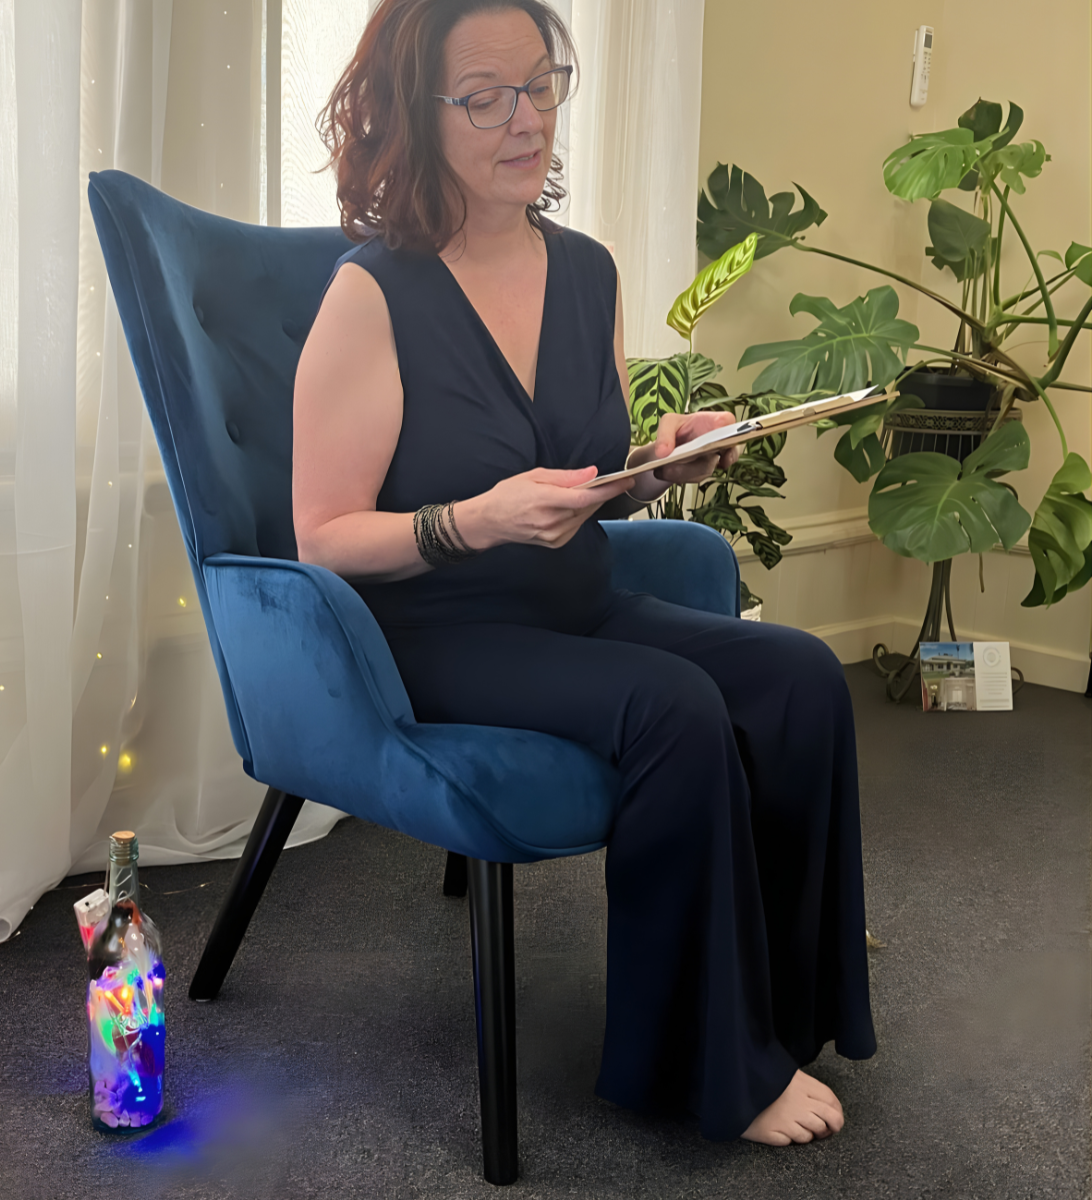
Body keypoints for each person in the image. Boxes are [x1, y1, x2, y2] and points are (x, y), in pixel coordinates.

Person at [293, 0, 876, 1147]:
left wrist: (660, 468)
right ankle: (699, 1067)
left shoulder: (590, 271)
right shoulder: (374, 294)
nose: (528, 120)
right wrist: (472, 522)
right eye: (487, 96)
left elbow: (583, 475)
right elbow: (320, 536)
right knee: (674, 707)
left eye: (542, 84)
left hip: (576, 598)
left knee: (799, 676)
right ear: (420, 112)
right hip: (439, 633)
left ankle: (780, 1017)